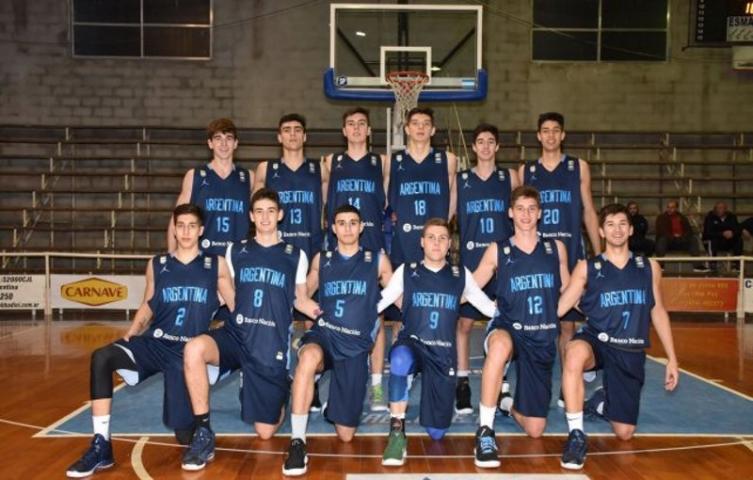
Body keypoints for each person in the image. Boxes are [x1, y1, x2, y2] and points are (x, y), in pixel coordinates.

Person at [66, 204, 234, 478]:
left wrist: (231, 347)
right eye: (181, 226)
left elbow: (235, 307)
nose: (186, 232)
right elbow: (148, 304)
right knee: (102, 357)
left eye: (192, 226)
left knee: (183, 433)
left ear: (201, 230)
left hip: (187, 353)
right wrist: (132, 331)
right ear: (174, 229)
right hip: (156, 344)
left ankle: (201, 435)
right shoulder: (158, 264)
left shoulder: (215, 265)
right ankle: (101, 445)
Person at [180, 189, 319, 471]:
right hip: (237, 333)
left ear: (280, 215)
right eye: (259, 211)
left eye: (271, 211)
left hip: (269, 342)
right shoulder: (236, 251)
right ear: (251, 216)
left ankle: (282, 388)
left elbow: (300, 299)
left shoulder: (295, 255)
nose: (265, 217)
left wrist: (326, 316)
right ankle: (203, 432)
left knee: (265, 431)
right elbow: (225, 293)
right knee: (193, 348)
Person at [556, 203, 679, 470]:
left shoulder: (649, 267)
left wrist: (672, 358)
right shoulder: (587, 268)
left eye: (623, 224)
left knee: (624, 432)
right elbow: (561, 307)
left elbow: (658, 311)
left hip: (629, 348)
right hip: (597, 341)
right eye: (610, 224)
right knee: (574, 353)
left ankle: (601, 401)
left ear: (631, 229)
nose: (617, 230)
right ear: (601, 231)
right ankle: (576, 435)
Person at [282, 204, 393, 476]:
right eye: (341, 223)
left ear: (361, 227)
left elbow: (397, 295)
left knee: (345, 434)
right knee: (308, 357)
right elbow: (300, 296)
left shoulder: (377, 261)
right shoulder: (323, 259)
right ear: (333, 228)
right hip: (325, 335)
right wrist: (314, 311)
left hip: (354, 345)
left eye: (353, 222)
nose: (347, 228)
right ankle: (297, 442)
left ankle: (333, 406)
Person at [377, 218, 497, 466]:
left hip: (442, 354)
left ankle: (425, 400)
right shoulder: (407, 271)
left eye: (442, 238)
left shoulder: (460, 275)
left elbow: (487, 307)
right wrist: (352, 315)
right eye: (431, 237)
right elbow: (380, 301)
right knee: (399, 359)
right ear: (422, 242)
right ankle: (397, 433)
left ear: (450, 244)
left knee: (437, 432)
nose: (436, 243)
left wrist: (516, 313)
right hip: (412, 344)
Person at [472, 185, 570, 468]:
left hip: (541, 334)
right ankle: (485, 431)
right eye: (520, 209)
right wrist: (490, 310)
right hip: (508, 326)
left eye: (531, 209)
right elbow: (470, 287)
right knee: (499, 346)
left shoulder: (555, 248)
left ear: (539, 213)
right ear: (510, 213)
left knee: (535, 428)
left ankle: (506, 404)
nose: (525, 215)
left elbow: (568, 289)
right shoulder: (498, 250)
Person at [519, 112, 600, 406]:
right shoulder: (527, 171)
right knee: (536, 322)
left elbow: (588, 211)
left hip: (571, 251)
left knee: (567, 325)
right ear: (538, 136)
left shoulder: (578, 167)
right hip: (538, 256)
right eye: (545, 130)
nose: (551, 135)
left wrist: (599, 253)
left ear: (563, 135)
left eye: (556, 130)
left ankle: (568, 386)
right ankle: (532, 384)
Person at [322, 106, 390, 412]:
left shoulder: (382, 163)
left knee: (376, 318)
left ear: (369, 130)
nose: (357, 128)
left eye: (362, 123)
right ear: (344, 130)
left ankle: (375, 386)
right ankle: (328, 382)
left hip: (371, 244)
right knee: (333, 316)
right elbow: (325, 203)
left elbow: (388, 203)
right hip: (339, 247)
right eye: (351, 123)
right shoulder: (330, 163)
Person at [455, 123, 518, 415]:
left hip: (503, 264)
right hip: (472, 263)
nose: (485, 146)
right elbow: (447, 215)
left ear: (497, 146)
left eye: (491, 141)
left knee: (503, 324)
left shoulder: (509, 178)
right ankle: (462, 382)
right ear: (473, 146)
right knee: (464, 325)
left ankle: (501, 382)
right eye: (480, 141)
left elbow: (522, 215)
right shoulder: (461, 180)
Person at [169, 118, 252, 257]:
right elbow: (175, 220)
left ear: (236, 143)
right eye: (218, 138)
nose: (224, 143)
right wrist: (172, 257)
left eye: (229, 138)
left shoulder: (249, 178)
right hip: (203, 258)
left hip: (238, 258)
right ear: (210, 143)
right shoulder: (195, 176)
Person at [388, 107, 457, 268]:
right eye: (415, 123)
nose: (421, 127)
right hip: (404, 237)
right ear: (407, 129)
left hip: (436, 240)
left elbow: (453, 194)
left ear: (433, 130)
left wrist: (445, 223)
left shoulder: (448, 159)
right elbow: (387, 196)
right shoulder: (393, 161)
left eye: (426, 124)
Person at [254, 113, 325, 261]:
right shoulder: (265, 169)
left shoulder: (321, 169)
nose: (292, 134)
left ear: (304, 137)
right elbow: (257, 213)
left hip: (312, 245)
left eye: (297, 130)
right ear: (279, 137)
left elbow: (327, 211)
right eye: (287, 130)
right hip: (276, 245)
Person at [655, 200, 709, 272]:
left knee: (693, 239)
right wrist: (674, 237)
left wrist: (681, 237)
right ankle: (660, 266)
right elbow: (662, 231)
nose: (669, 209)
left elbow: (689, 231)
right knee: (662, 240)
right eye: (668, 207)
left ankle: (697, 266)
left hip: (681, 241)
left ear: (676, 208)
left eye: (672, 207)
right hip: (669, 242)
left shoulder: (682, 217)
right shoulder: (661, 217)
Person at [702, 201, 742, 267]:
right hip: (715, 241)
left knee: (739, 240)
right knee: (712, 240)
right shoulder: (710, 217)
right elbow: (707, 233)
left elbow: (737, 229)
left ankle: (737, 264)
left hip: (728, 241)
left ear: (725, 209)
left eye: (721, 208)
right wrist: (722, 234)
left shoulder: (732, 217)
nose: (719, 210)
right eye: (718, 208)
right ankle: (713, 263)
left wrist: (732, 233)